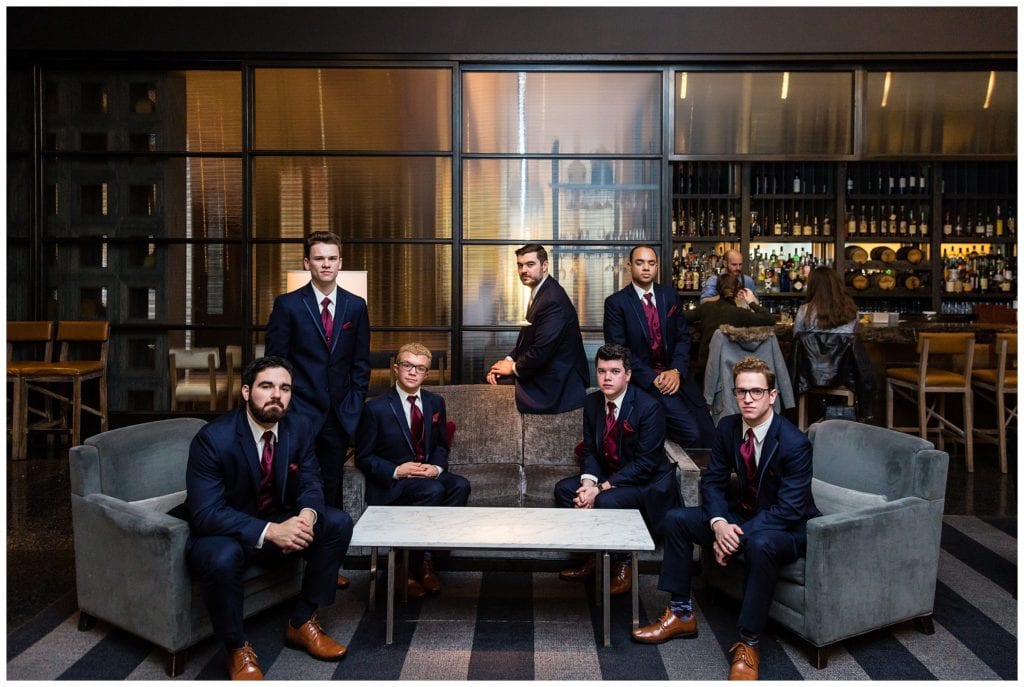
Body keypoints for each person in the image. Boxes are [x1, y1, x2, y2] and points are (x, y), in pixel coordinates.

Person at [631, 356, 819, 681]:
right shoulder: (728, 427)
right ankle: (680, 613)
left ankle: (748, 643)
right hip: (737, 518)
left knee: (759, 543)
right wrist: (719, 523)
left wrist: (736, 536)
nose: (747, 399)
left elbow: (789, 509)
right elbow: (713, 481)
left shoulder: (795, 443)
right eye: (741, 391)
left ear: (772, 396)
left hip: (784, 530)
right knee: (677, 519)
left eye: (756, 392)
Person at [185, 356, 354, 680]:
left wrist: (306, 516)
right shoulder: (213, 439)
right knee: (222, 555)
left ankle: (302, 620)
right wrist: (271, 530)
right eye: (267, 386)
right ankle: (236, 647)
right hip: (226, 532)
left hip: (279, 521)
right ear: (247, 392)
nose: (276, 394)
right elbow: (206, 513)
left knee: (336, 523)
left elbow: (309, 481)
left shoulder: (299, 428)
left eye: (284, 388)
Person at [265, 230, 369, 589]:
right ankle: (296, 565)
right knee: (296, 488)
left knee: (332, 489)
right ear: (307, 263)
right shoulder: (288, 305)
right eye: (319, 258)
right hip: (298, 415)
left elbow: (360, 365)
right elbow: (276, 364)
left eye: (332, 258)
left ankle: (326, 565)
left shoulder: (356, 306)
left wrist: (351, 412)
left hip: (338, 417)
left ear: (341, 262)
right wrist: (286, 410)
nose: (326, 264)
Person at [553, 343, 679, 596]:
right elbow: (590, 450)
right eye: (601, 371)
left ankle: (623, 565)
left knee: (606, 501)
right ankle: (595, 558)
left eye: (614, 371)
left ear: (628, 375)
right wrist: (588, 484)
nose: (607, 378)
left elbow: (646, 464)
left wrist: (599, 489)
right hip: (609, 476)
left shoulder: (649, 407)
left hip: (647, 483)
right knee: (566, 490)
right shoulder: (592, 403)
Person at [355, 342, 470, 598]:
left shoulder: (435, 402)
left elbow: (440, 444)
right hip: (394, 483)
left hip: (427, 476)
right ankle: (404, 568)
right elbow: (363, 457)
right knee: (432, 491)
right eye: (407, 365)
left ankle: (428, 559)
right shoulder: (376, 407)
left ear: (426, 374)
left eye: (419, 368)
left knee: (460, 485)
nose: (412, 372)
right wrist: (398, 469)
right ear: (396, 368)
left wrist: (437, 467)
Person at [604, 245, 715, 448]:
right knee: (691, 434)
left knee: (710, 434)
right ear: (630, 266)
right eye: (640, 263)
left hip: (676, 375)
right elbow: (619, 351)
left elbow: (683, 337)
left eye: (651, 263)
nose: (646, 268)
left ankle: (704, 479)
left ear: (656, 267)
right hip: (645, 381)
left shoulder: (669, 296)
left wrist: (676, 371)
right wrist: (653, 378)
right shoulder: (616, 303)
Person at [486, 243, 590, 413]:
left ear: (545, 266)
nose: (524, 270)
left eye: (530, 264)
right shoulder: (541, 291)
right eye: (520, 265)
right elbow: (529, 339)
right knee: (495, 376)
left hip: (558, 382)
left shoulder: (552, 299)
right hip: (545, 369)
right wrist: (508, 360)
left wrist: (512, 368)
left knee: (495, 383)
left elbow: (541, 350)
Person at [685, 273, 775, 373]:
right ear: (737, 292)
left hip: (706, 366)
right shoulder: (740, 313)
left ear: (718, 290)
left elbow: (682, 317)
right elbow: (769, 319)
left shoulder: (706, 308)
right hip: (730, 368)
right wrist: (751, 302)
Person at [793, 265, 859, 334]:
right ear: (838, 284)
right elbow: (853, 337)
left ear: (812, 286)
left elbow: (797, 337)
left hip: (813, 345)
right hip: (843, 345)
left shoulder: (805, 310)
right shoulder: (851, 310)